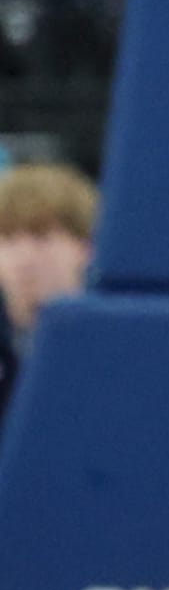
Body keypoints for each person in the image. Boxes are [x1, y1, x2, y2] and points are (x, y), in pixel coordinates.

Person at [0, 160, 97, 417]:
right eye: (8, 239)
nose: (23, 258)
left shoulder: (115, 351)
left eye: (41, 237)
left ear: (87, 248)